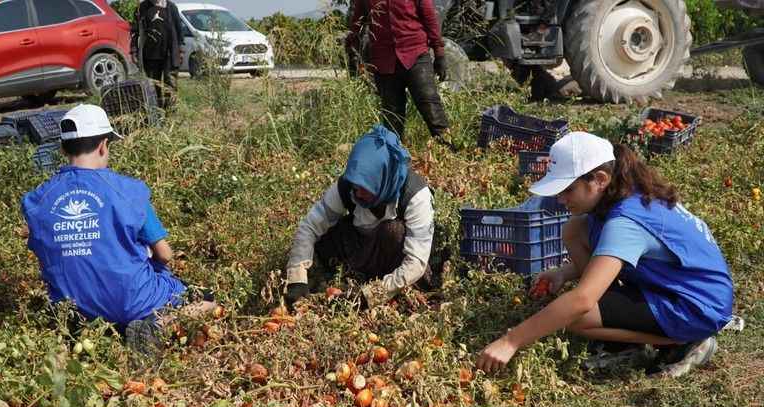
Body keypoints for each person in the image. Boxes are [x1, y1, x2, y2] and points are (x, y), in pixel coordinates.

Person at [476, 132, 734, 378]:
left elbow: (582, 300)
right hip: (679, 288)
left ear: (599, 179)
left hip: (696, 306)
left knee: (578, 317)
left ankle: (683, 341)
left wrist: (511, 341)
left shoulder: (625, 223)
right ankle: (629, 330)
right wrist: (564, 272)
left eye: (568, 189)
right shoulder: (627, 192)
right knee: (575, 229)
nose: (561, 198)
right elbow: (616, 252)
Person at [21, 105, 213, 350]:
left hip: (71, 308)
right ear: (103, 145)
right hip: (132, 300)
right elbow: (165, 254)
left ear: (62, 148)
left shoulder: (37, 200)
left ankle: (95, 331)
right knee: (205, 299)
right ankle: (157, 325)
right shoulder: (127, 192)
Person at [285, 125, 436, 308]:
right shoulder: (348, 187)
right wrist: (297, 278)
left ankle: (383, 288)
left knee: (393, 232)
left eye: (365, 186)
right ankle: (345, 277)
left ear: (382, 178)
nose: (357, 192)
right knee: (326, 233)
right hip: (360, 247)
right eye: (355, 185)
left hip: (394, 259)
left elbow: (415, 263)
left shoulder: (416, 195)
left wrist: (371, 295)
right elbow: (310, 226)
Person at [346, 0, 452, 145]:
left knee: (430, 105)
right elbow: (356, 23)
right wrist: (353, 52)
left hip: (415, 54)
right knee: (392, 118)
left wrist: (439, 53)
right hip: (384, 61)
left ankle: (448, 149)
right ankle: (397, 159)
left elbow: (429, 16)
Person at [131, 0, 184, 108]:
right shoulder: (142, 8)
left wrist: (180, 50)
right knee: (153, 87)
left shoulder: (171, 7)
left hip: (170, 54)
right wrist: (134, 51)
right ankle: (157, 115)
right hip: (150, 55)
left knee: (170, 85)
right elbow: (135, 32)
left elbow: (179, 30)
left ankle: (171, 116)